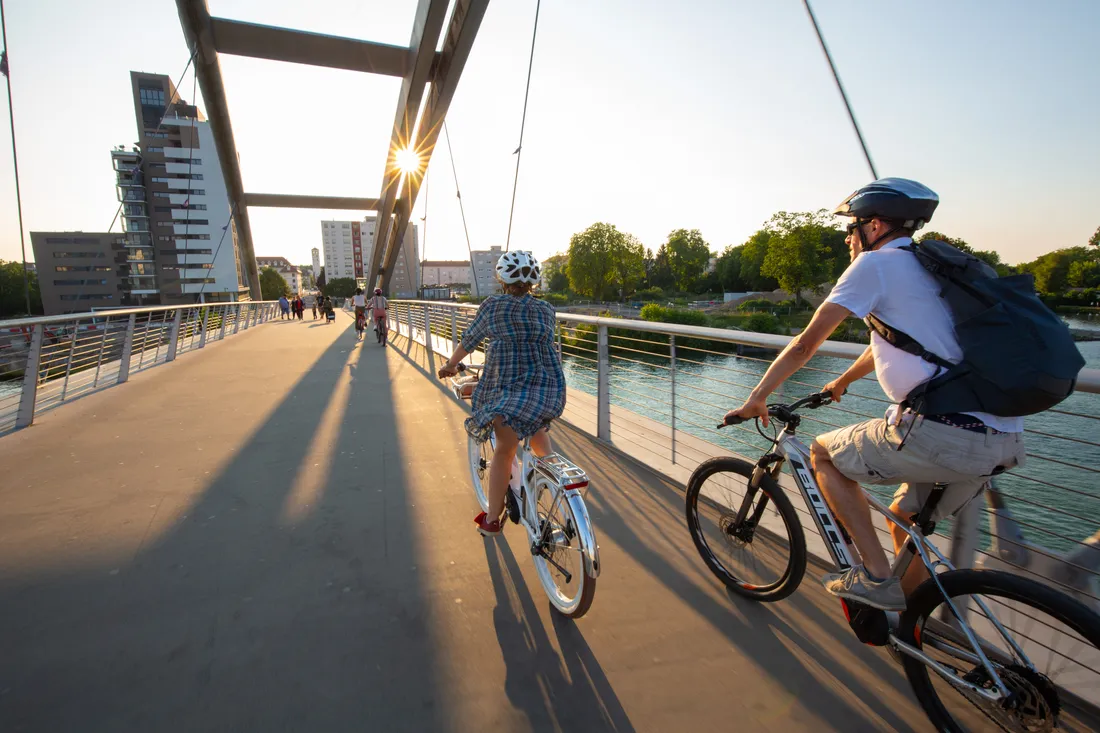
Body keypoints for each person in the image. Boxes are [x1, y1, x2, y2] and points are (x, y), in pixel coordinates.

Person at [723, 178, 1025, 611]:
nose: (848, 238)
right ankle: (915, 621)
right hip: (1002, 436)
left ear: (876, 226)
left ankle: (875, 577)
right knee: (905, 520)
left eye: (853, 227)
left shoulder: (874, 266)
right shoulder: (930, 267)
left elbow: (806, 345)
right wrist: (843, 380)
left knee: (823, 454)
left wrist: (757, 395)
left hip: (941, 432)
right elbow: (892, 342)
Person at [437, 251, 566, 536]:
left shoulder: (493, 306)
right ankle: (562, 488)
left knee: (504, 451)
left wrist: (450, 365)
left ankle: (492, 519)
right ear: (534, 282)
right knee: (538, 433)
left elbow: (469, 341)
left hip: (509, 391)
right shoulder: (546, 309)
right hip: (547, 389)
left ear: (502, 279)